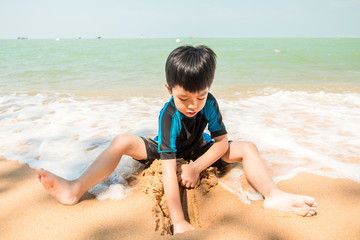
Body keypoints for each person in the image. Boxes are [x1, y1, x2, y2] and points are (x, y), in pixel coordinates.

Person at [38, 45, 317, 235]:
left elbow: (221, 143)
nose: (193, 105)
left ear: (208, 89)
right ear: (169, 89)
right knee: (122, 140)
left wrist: (196, 168)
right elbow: (169, 169)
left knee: (247, 148)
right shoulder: (169, 114)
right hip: (164, 151)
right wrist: (179, 220)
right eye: (184, 98)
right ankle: (75, 188)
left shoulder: (210, 102)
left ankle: (273, 195)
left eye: (201, 96)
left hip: (198, 148)